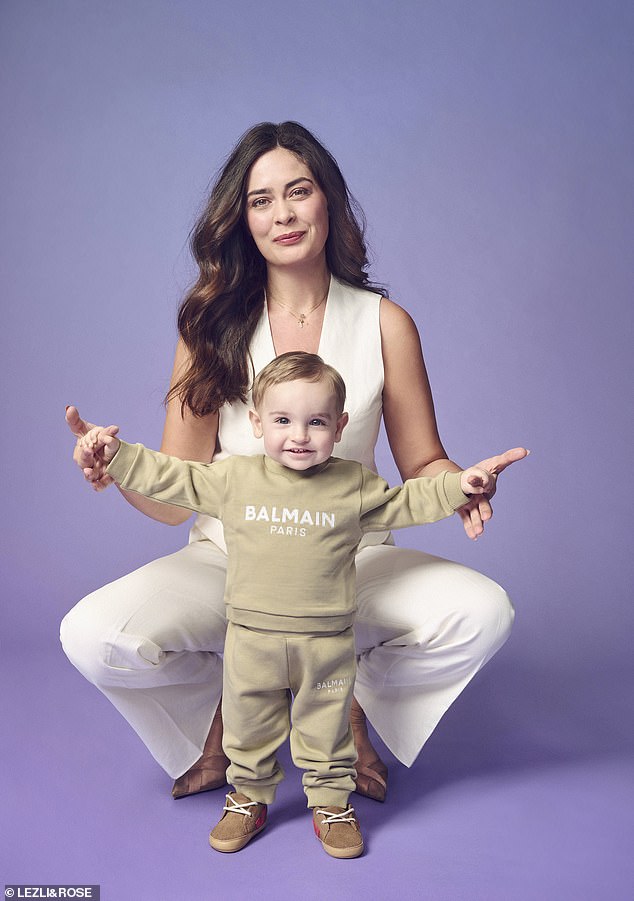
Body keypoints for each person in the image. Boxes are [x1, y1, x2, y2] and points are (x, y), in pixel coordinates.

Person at [62, 120, 524, 807]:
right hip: (232, 563)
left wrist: (460, 484)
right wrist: (115, 468)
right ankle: (228, 712)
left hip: (350, 561)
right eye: (260, 200)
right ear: (241, 219)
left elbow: (421, 457)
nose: (282, 214)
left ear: (326, 201)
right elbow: (173, 497)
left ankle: (349, 701)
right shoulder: (209, 326)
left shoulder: (384, 322)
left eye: (298, 191)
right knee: (94, 636)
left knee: (485, 611)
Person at [78, 352, 523, 857]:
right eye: (283, 420)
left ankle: (331, 802)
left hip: (327, 640)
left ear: (340, 426)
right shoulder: (234, 479)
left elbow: (408, 502)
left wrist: (459, 486)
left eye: (316, 422)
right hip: (250, 637)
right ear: (255, 423)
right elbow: (171, 477)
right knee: (248, 724)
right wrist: (115, 454)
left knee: (327, 726)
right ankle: (247, 795)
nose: (299, 435)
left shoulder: (351, 484)